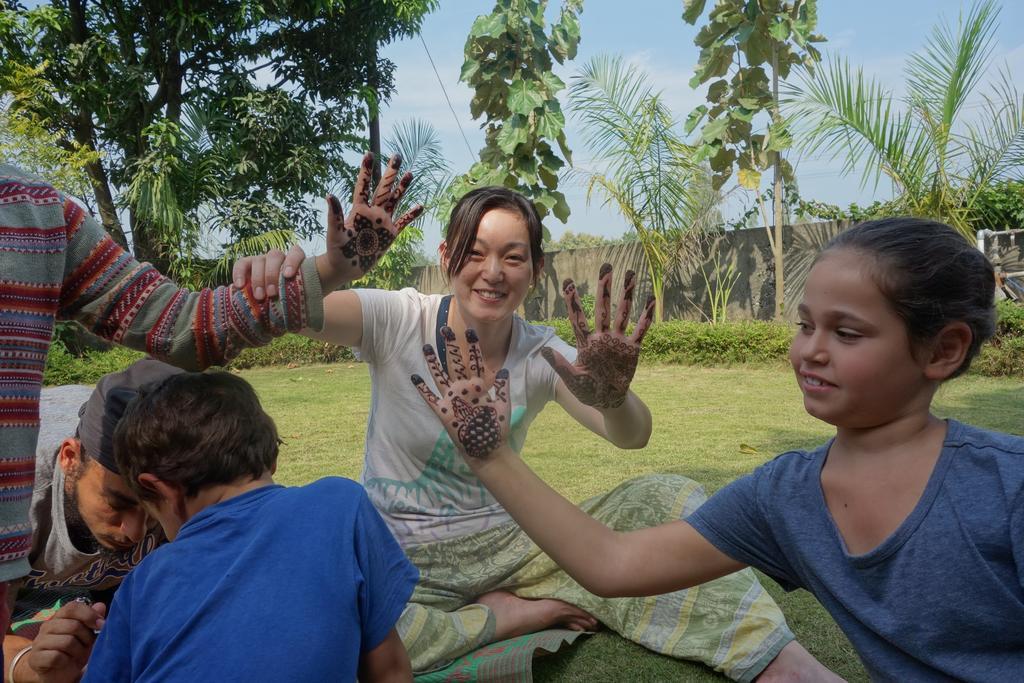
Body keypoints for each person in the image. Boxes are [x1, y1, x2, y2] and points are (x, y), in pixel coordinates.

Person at [247, 186, 834, 680]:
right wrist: (334, 269)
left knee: (663, 498)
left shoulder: (542, 352)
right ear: (447, 254)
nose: (493, 273)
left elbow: (632, 437)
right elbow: (292, 313)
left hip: (512, 549)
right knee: (331, 616)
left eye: (513, 256)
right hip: (401, 557)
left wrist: (615, 396)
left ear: (537, 268)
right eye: (475, 253)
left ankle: (781, 661)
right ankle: (509, 617)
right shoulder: (396, 318)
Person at [413, 217, 1024, 679]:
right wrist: (490, 457)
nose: (810, 350)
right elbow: (613, 565)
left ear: (943, 350)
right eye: (804, 325)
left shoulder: (1005, 489)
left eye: (846, 332)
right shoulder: (785, 497)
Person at [0, 154, 421, 671]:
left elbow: (179, 323)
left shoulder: (32, 212)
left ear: (160, 490)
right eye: (120, 501)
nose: (134, 531)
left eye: (141, 507)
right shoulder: (340, 506)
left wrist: (333, 268)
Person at [74, 370, 418, 682]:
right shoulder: (342, 504)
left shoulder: (143, 584)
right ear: (272, 458)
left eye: (151, 514)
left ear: (158, 489)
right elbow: (390, 670)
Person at [3, 360, 182, 683]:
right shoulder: (15, 506)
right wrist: (32, 666)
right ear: (70, 459)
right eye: (118, 503)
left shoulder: (188, 497)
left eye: (155, 508)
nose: (136, 531)